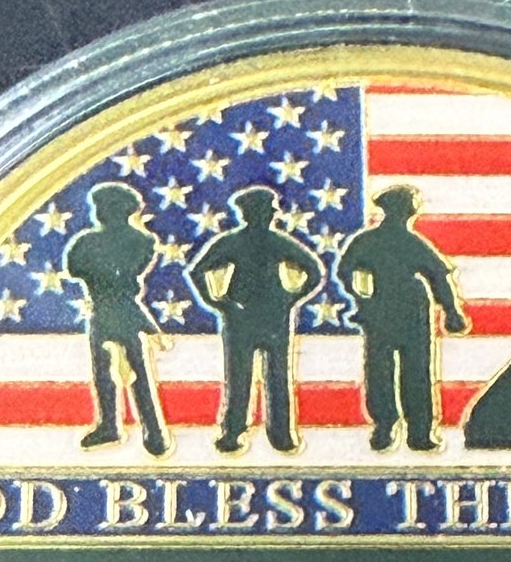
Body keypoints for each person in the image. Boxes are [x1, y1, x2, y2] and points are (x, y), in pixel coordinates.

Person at [188, 186, 322, 453]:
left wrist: (291, 298)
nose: (269, 216)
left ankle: (278, 434)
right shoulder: (240, 242)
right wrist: (218, 302)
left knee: (272, 376)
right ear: (250, 213)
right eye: (265, 211)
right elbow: (198, 271)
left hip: (267, 315)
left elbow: (314, 271)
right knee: (244, 376)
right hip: (247, 315)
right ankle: (240, 432)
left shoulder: (271, 242)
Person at [336, 184, 468, 452]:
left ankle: (404, 429)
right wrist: (451, 310)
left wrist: (452, 310)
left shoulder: (374, 241)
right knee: (403, 370)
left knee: (392, 370)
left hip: (404, 311)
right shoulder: (399, 241)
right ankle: (402, 429)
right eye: (409, 204)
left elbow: (437, 276)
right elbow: (439, 277)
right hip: (397, 310)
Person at [63, 181, 169, 457]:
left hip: (122, 310)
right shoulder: (88, 242)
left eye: (103, 207)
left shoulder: (138, 242)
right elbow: (74, 269)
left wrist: (103, 273)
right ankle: (112, 425)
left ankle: (153, 432)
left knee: (138, 372)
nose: (98, 212)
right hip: (105, 310)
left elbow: (84, 269)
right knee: (104, 372)